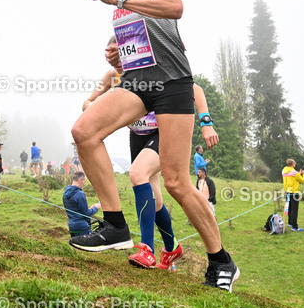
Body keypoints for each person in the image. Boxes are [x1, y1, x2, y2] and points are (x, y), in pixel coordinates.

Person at [70, 0, 240, 291]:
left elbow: (174, 6)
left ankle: (221, 260)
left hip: (172, 82)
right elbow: (138, 33)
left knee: (177, 182)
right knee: (84, 131)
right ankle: (115, 226)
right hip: (137, 81)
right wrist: (118, 53)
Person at [82, 56, 219, 269]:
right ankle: (172, 247)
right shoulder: (111, 77)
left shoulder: (150, 71)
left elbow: (196, 90)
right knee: (154, 200)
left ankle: (146, 249)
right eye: (111, 60)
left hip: (162, 131)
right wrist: (99, 106)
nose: (117, 64)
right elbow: (88, 102)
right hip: (137, 136)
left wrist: (206, 123)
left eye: (119, 57)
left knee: (138, 174)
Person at [64, 172, 100, 239]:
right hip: (82, 227)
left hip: (72, 226)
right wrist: (96, 208)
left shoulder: (66, 193)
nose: (85, 184)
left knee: (76, 244)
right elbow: (87, 213)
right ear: (80, 180)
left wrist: (90, 209)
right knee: (89, 244)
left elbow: (77, 210)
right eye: (84, 181)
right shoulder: (80, 194)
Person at [282, 159, 304, 231]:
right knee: (294, 209)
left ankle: (290, 223)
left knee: (290, 207)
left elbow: (291, 178)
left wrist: (299, 173)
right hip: (294, 193)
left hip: (287, 192)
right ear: (293, 164)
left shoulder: (284, 171)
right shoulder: (295, 173)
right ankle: (294, 227)